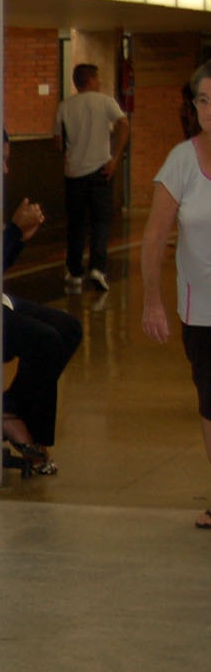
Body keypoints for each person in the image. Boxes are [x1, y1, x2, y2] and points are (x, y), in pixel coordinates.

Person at [139, 59, 211, 529]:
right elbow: (154, 236)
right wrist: (152, 301)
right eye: (204, 100)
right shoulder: (181, 160)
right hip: (202, 310)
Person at [1, 194, 81, 477]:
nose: (6, 168)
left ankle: (8, 409)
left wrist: (19, 237)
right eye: (4, 161)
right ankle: (21, 425)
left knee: (69, 329)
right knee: (44, 339)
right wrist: (14, 231)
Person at [54, 62, 129, 292]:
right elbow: (124, 125)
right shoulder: (105, 101)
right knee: (100, 223)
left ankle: (75, 271)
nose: (99, 83)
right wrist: (115, 159)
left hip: (74, 173)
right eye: (97, 79)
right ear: (91, 81)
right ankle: (98, 269)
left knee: (76, 224)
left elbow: (57, 142)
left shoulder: (64, 107)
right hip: (101, 171)